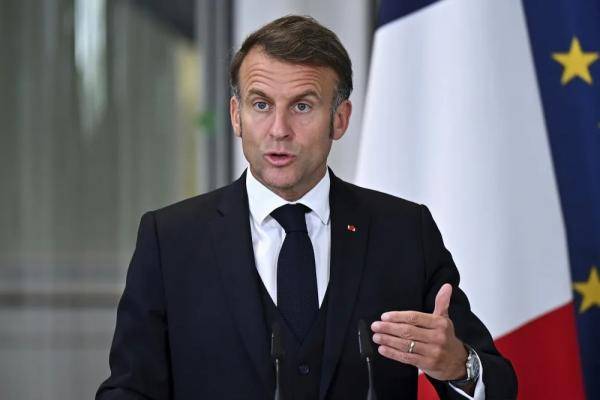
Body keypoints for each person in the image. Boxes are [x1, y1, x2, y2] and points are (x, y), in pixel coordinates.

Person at [96, 15, 517, 400]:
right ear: (236, 115)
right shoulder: (171, 240)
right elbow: (128, 390)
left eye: (302, 106)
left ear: (340, 119)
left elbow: (498, 385)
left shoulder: (404, 232)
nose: (279, 130)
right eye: (261, 104)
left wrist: (460, 365)